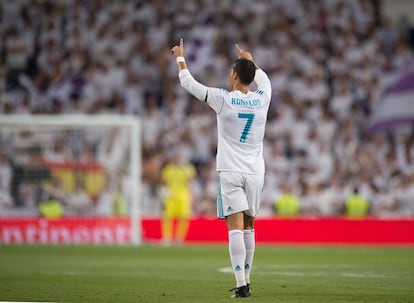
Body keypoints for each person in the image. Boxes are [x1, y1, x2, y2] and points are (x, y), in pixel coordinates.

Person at [171, 39, 271, 298]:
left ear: (235, 76)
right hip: (255, 171)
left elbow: (188, 83)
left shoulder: (223, 98)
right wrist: (251, 60)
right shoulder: (263, 98)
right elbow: (264, 79)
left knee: (235, 227)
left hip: (230, 171)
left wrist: (180, 58)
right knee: (249, 226)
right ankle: (247, 280)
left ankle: (241, 284)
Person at [161, 152, 196, 246]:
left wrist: (184, 168)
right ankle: (167, 238)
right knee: (167, 217)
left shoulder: (187, 168)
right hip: (171, 195)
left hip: (183, 195)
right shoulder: (169, 168)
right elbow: (164, 180)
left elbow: (191, 178)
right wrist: (165, 191)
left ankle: (179, 238)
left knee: (184, 217)